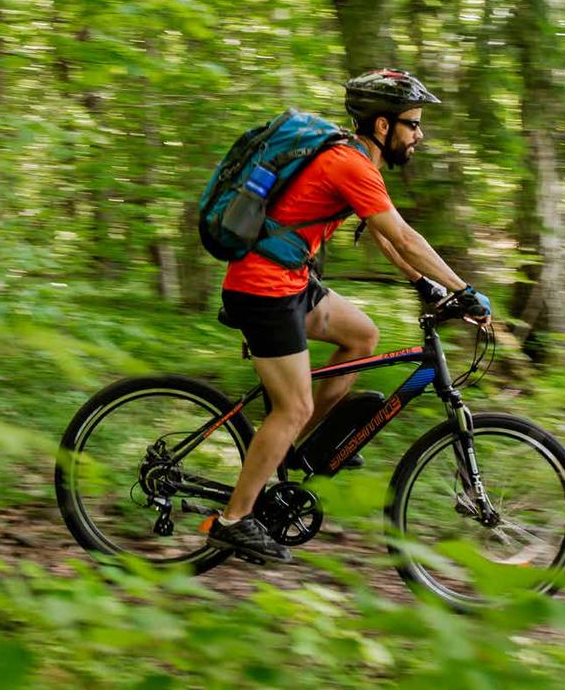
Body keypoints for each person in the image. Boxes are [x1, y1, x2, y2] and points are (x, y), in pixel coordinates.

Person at [206, 68, 491, 563]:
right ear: (383, 126)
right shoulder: (349, 163)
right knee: (290, 406)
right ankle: (233, 519)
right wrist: (463, 289)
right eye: (413, 124)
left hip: (292, 280)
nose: (419, 134)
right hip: (262, 287)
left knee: (362, 336)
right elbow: (403, 236)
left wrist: (421, 283)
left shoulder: (358, 163)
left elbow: (382, 233)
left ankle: (299, 448)